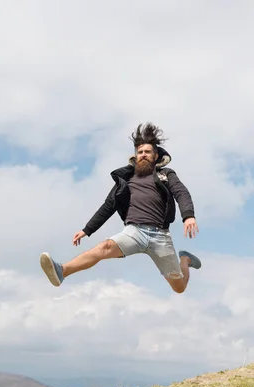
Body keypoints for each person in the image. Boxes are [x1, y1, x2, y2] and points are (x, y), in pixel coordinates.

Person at [39, 122, 202, 294]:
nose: (143, 155)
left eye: (147, 152)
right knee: (104, 247)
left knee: (179, 287)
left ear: (155, 156)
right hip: (134, 232)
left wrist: (188, 216)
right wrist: (87, 229)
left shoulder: (165, 175)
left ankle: (185, 260)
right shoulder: (126, 179)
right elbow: (108, 205)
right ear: (135, 156)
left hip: (160, 236)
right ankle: (62, 271)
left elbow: (181, 193)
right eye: (140, 152)